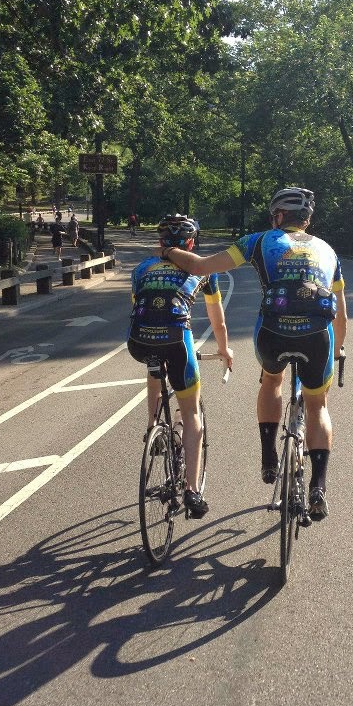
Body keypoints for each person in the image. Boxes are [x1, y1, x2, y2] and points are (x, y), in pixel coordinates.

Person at [160, 188, 347, 521]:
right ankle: (318, 486)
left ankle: (268, 457)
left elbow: (202, 266)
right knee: (318, 404)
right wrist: (338, 350)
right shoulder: (328, 250)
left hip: (273, 334)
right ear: (307, 220)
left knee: (272, 380)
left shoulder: (258, 240)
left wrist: (171, 251)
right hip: (317, 337)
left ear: (277, 216)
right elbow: (341, 316)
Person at [128, 215, 233, 518]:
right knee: (191, 413)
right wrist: (224, 350)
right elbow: (218, 320)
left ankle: (152, 428)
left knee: (154, 365)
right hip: (177, 340)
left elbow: (139, 308)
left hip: (138, 340)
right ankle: (192, 491)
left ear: (161, 242)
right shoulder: (204, 270)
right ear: (191, 242)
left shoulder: (141, 268)